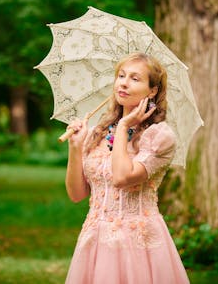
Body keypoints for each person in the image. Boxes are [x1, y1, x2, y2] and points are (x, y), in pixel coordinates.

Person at [65, 53, 190, 284]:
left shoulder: (158, 136)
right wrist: (75, 147)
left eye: (135, 78)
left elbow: (122, 178)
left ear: (152, 91)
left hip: (138, 244)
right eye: (121, 76)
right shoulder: (97, 133)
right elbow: (76, 194)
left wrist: (123, 126)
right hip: (94, 240)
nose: (123, 82)